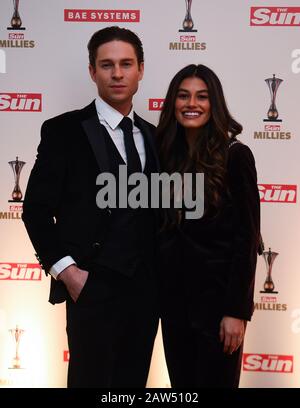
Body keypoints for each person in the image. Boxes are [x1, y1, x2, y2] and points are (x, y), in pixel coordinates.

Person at [22, 26, 159, 388]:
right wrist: (69, 274)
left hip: (146, 292)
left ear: (141, 69)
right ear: (92, 71)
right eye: (107, 64)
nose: (117, 73)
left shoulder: (156, 136)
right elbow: (35, 210)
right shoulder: (62, 131)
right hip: (90, 286)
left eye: (126, 64)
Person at [156, 64, 260, 388]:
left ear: (214, 103)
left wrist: (236, 311)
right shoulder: (164, 158)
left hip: (219, 310)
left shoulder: (236, 156)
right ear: (173, 102)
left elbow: (247, 238)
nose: (192, 103)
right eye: (183, 95)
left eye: (202, 96)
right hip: (174, 308)